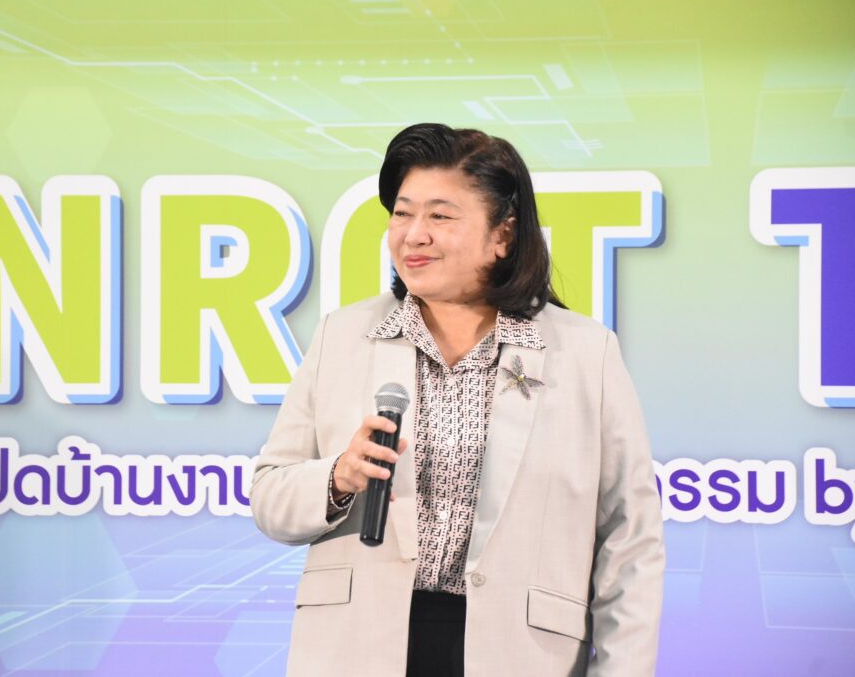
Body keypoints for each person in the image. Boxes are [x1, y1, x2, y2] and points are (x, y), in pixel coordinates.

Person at [250, 123, 664, 677]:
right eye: (402, 214)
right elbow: (269, 496)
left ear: (503, 235)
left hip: (520, 654)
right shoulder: (342, 336)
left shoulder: (586, 352)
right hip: (358, 647)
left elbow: (629, 538)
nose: (413, 235)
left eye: (440, 216)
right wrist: (337, 478)